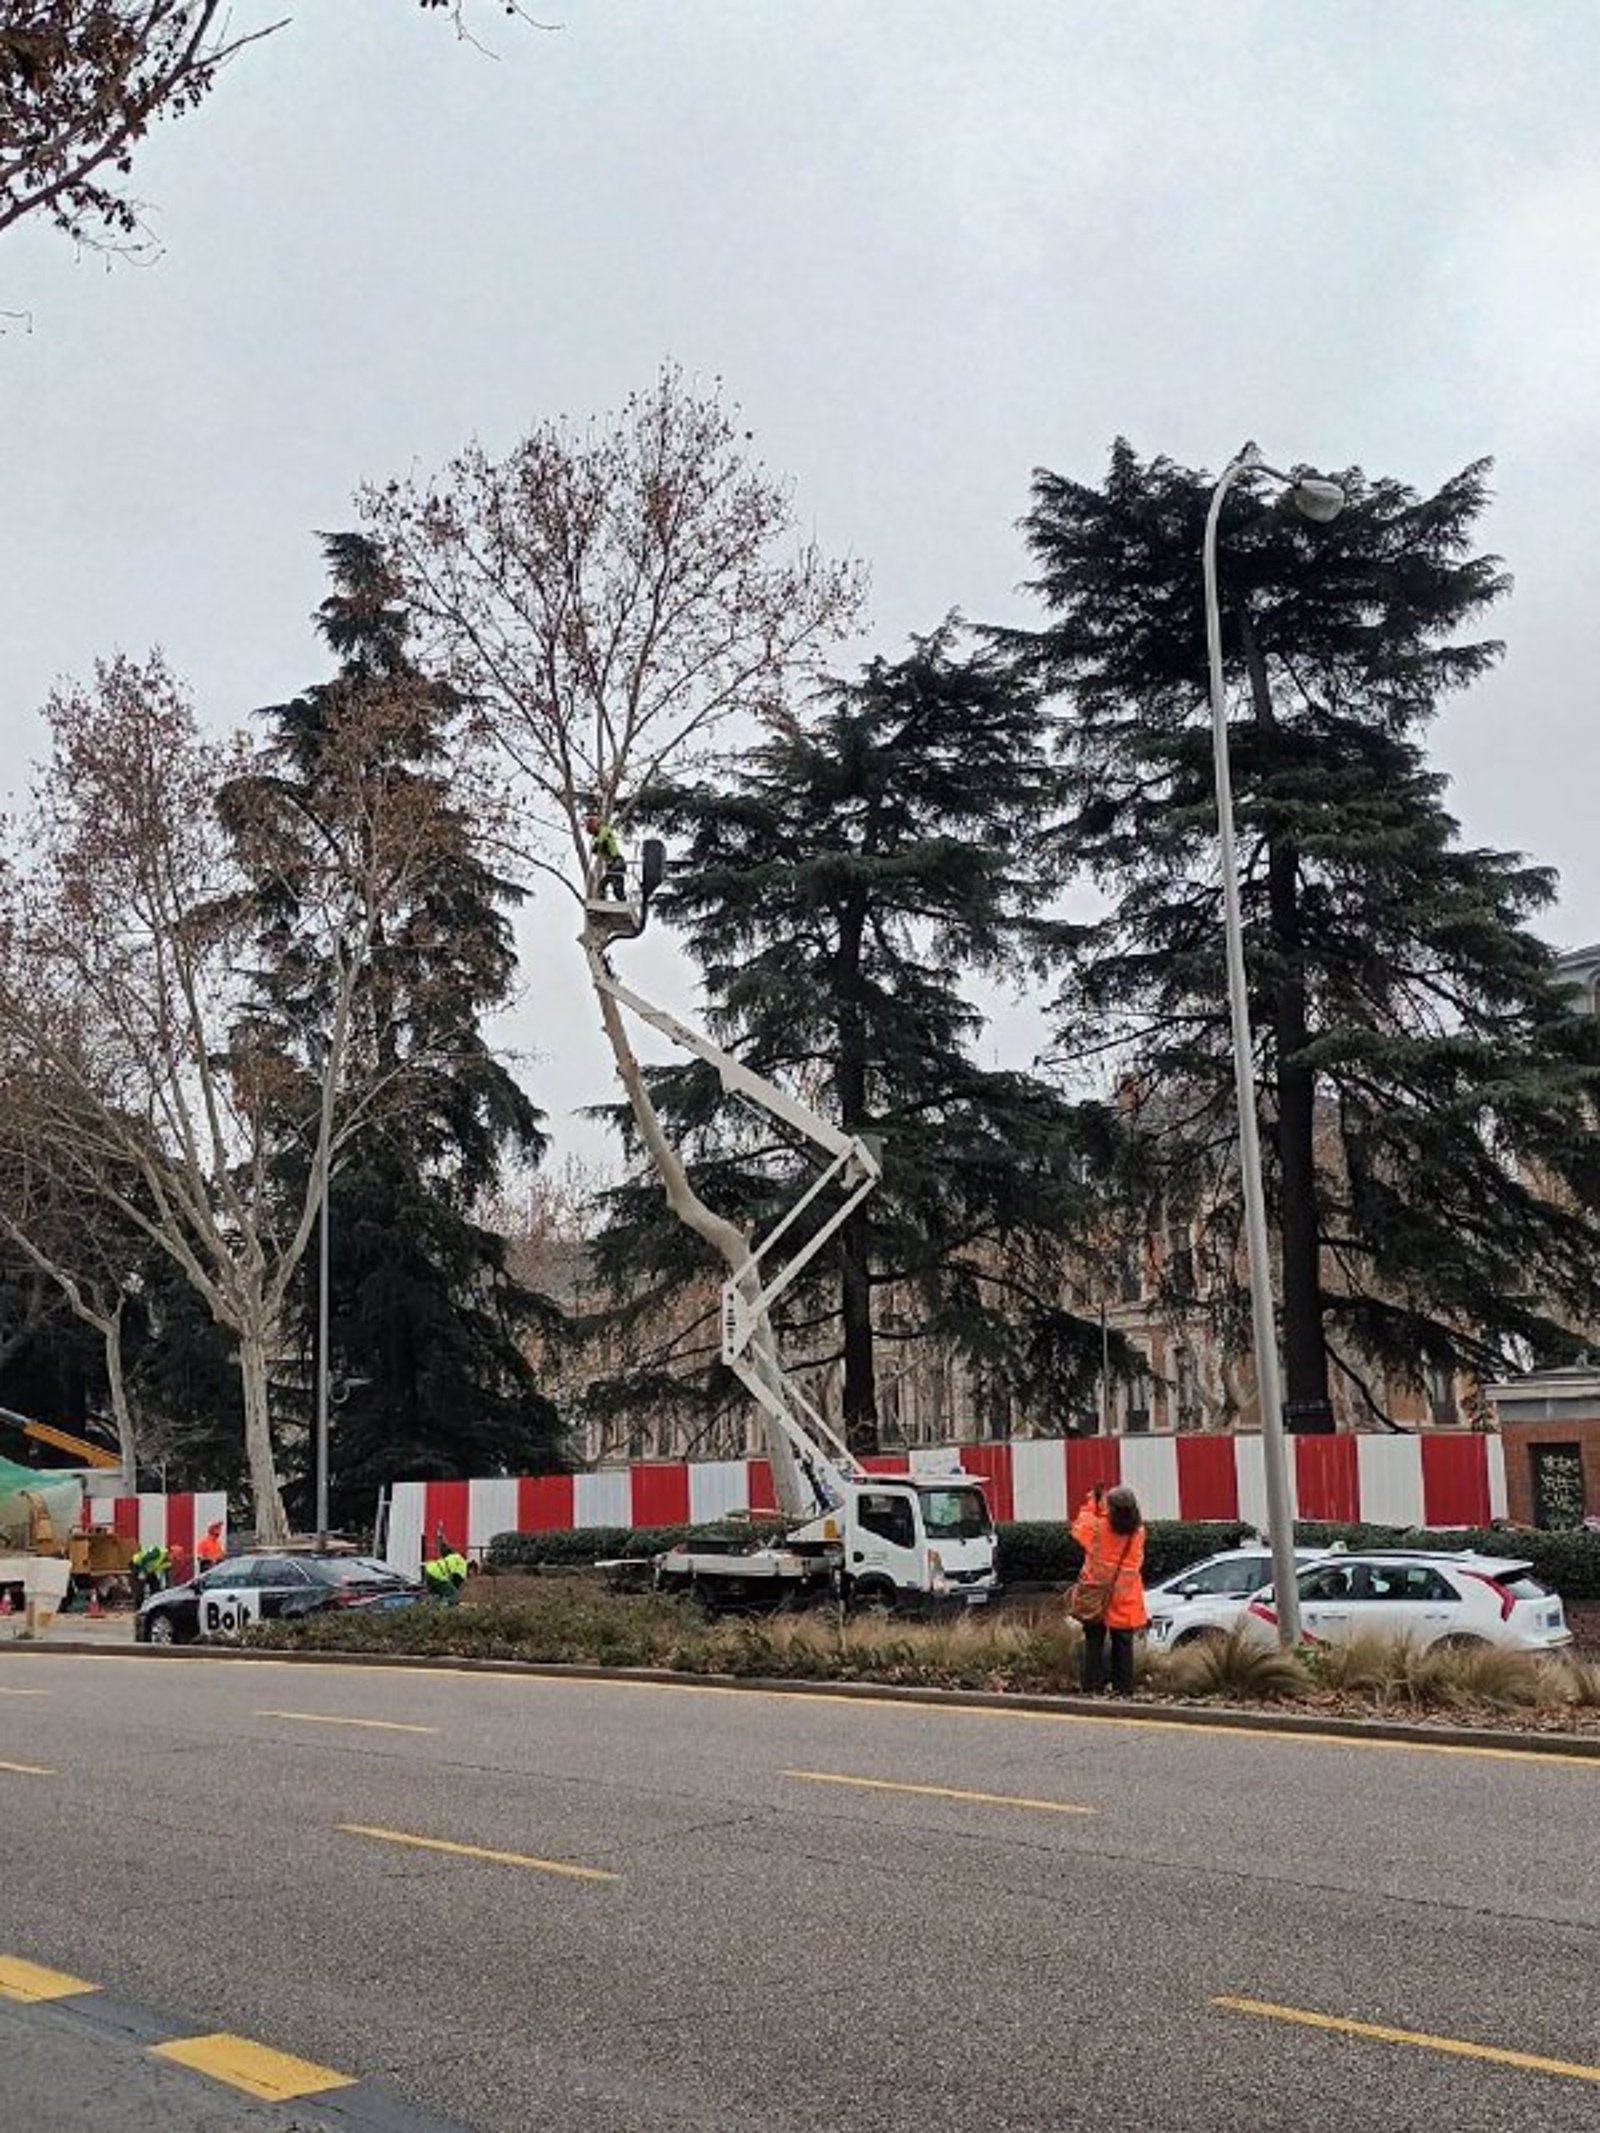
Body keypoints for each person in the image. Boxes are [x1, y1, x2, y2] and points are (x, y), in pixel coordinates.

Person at [1070, 1482, 1147, 1697]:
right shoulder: (1138, 1532)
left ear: (1110, 1508)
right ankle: (1123, 1689)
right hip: (1125, 1594)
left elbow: (1079, 1530)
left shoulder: (1098, 1527)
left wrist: (1092, 1503)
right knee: (1123, 1644)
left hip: (1096, 1591)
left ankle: (1092, 1686)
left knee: (1093, 1641)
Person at [421, 1528, 469, 1604]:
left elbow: (445, 1549)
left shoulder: (454, 1556)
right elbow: (456, 1583)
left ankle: (430, 1608)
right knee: (454, 1595)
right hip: (437, 1575)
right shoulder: (463, 1566)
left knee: (436, 1595)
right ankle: (449, 1613)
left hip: (429, 1570)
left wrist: (440, 1538)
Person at [585, 812, 626, 899]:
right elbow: (600, 850)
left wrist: (596, 846)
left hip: (617, 862)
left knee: (607, 885)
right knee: (614, 889)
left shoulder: (604, 829)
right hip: (612, 864)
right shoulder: (601, 835)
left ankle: (621, 901)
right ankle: (611, 899)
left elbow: (601, 840)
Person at [130, 1540, 171, 1609]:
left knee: (155, 1586)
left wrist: (169, 1588)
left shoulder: (168, 1562)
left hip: (149, 1569)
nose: (174, 1559)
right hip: (138, 1565)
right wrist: (142, 1572)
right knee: (140, 1586)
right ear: (170, 1553)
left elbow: (168, 1577)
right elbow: (144, 1559)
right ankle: (138, 1607)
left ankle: (155, 1604)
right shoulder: (157, 1552)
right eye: (174, 1557)